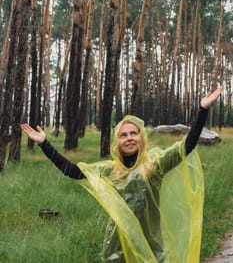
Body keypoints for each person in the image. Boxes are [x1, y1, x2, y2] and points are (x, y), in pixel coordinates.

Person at [21, 86, 223, 263]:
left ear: (141, 138)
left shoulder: (155, 165)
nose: (129, 138)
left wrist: (202, 109)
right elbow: (73, 171)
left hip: (150, 241)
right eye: (123, 135)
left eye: (133, 133)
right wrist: (45, 144)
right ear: (117, 142)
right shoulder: (109, 170)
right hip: (118, 245)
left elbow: (186, 147)